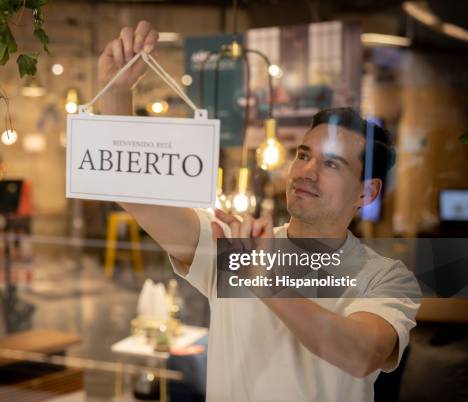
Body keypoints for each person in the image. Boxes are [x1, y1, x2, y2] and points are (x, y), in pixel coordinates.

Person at [97, 21, 421, 402]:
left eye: (331, 164)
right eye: (304, 155)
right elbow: (133, 192)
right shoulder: (234, 244)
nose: (306, 172)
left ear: (367, 191)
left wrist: (265, 279)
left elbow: (359, 354)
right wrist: (117, 90)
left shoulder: (386, 278)